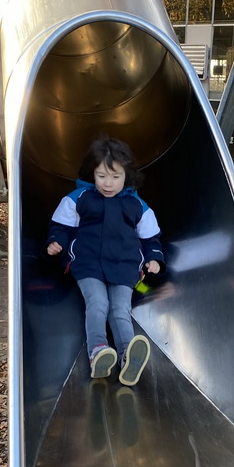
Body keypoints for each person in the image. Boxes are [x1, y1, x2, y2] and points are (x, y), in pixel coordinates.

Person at [47, 137, 164, 385]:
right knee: (98, 302)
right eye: (101, 176)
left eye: (115, 177)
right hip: (88, 263)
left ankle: (127, 357)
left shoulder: (137, 205)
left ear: (127, 176)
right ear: (93, 173)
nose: (108, 184)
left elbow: (150, 238)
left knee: (120, 309)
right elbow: (62, 225)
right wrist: (56, 241)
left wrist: (154, 258)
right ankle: (98, 351)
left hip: (124, 266)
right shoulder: (79, 198)